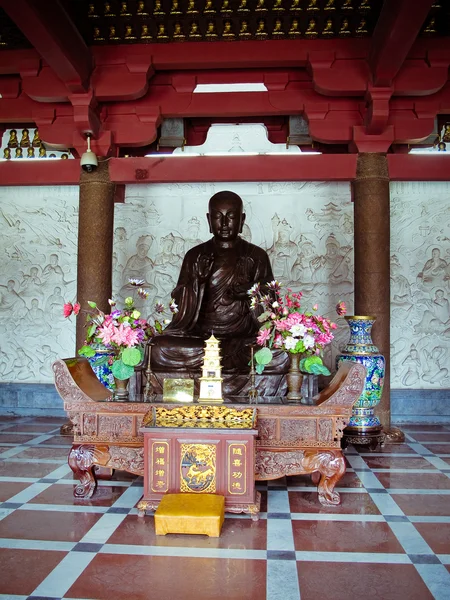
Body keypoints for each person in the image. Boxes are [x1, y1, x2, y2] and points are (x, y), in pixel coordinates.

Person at [151, 191, 287, 373]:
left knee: (282, 353)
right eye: (217, 217)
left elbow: (272, 302)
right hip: (202, 338)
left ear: (242, 219)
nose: (224, 224)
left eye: (231, 217)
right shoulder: (195, 256)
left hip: (244, 339)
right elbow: (178, 302)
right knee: (158, 348)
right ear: (209, 220)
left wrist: (252, 291)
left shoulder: (256, 256)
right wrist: (197, 283)